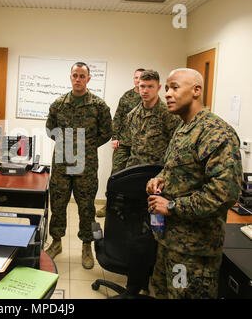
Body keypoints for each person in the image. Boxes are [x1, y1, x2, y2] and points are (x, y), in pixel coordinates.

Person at [146, 68, 242, 299]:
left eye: (174, 87)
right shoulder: (184, 127)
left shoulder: (215, 133)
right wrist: (159, 177)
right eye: (167, 88)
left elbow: (224, 194)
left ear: (196, 90)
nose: (167, 93)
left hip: (193, 253)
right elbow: (178, 168)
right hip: (170, 242)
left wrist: (171, 207)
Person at [45, 62, 112, 269]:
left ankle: (87, 245)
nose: (78, 79)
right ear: (70, 77)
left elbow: (106, 132)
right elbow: (50, 129)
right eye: (75, 75)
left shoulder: (99, 106)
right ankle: (56, 242)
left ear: (89, 79)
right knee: (57, 204)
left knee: (87, 208)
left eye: (82, 76)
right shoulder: (58, 104)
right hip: (62, 164)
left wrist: (86, 147)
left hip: (86, 165)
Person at [96, 68, 144, 218]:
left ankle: (129, 208)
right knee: (116, 174)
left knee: (136, 177)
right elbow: (117, 118)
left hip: (141, 145)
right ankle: (109, 205)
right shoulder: (127, 97)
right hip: (123, 142)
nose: (138, 80)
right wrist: (115, 137)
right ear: (133, 79)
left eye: (141, 78)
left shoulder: (150, 97)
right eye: (136, 77)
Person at [118, 70, 181, 169]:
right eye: (142, 86)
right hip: (134, 169)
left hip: (156, 172)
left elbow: (176, 148)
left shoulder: (169, 115)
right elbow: (129, 146)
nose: (145, 90)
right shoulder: (133, 114)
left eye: (150, 86)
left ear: (158, 88)